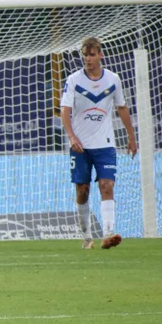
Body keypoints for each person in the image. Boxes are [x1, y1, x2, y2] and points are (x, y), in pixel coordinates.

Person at [60, 37, 137, 249]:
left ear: (100, 55)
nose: (88, 59)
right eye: (85, 55)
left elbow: (121, 107)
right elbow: (64, 110)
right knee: (82, 190)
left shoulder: (113, 79)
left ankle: (108, 235)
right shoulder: (74, 80)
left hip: (105, 144)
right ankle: (86, 237)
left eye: (92, 54)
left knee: (106, 185)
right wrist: (72, 136)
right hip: (80, 146)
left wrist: (131, 137)